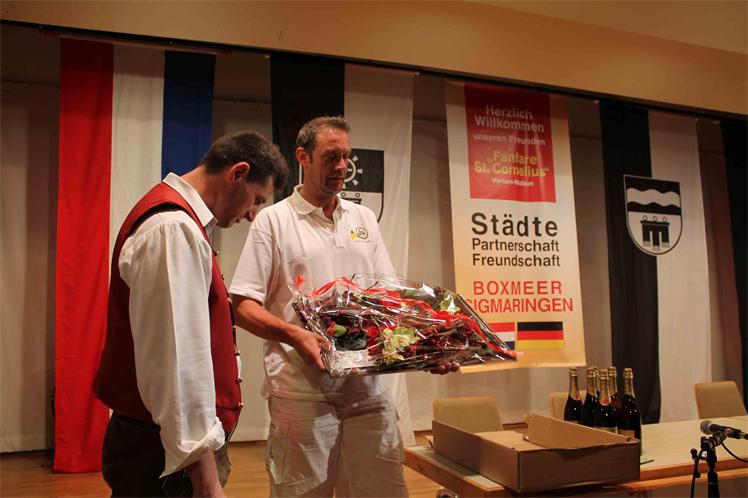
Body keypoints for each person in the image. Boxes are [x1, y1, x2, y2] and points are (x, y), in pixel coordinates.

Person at [230, 116, 458, 497]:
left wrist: (427, 349)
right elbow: (243, 305)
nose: (341, 167)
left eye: (346, 157)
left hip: (368, 394)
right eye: (331, 157)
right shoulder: (273, 221)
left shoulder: (363, 218)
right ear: (303, 157)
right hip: (302, 398)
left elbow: (389, 301)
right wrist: (296, 336)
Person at [95, 131, 288, 498]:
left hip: (161, 446)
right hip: (162, 453)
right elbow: (177, 365)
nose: (252, 215)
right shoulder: (173, 228)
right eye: (256, 200)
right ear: (237, 174)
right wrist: (204, 473)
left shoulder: (181, 223)